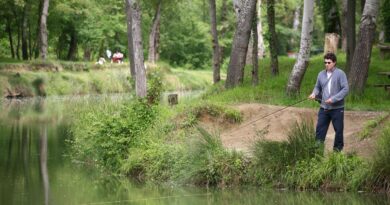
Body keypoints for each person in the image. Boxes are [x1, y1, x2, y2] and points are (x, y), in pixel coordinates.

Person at [308, 52, 349, 152]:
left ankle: (337, 153)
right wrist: (314, 94)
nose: (326, 64)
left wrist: (333, 99)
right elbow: (317, 87)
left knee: (338, 131)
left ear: (334, 62)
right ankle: (318, 152)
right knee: (319, 131)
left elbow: (345, 89)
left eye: (329, 62)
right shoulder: (321, 74)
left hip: (337, 109)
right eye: (325, 62)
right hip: (324, 108)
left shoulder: (340, 73)